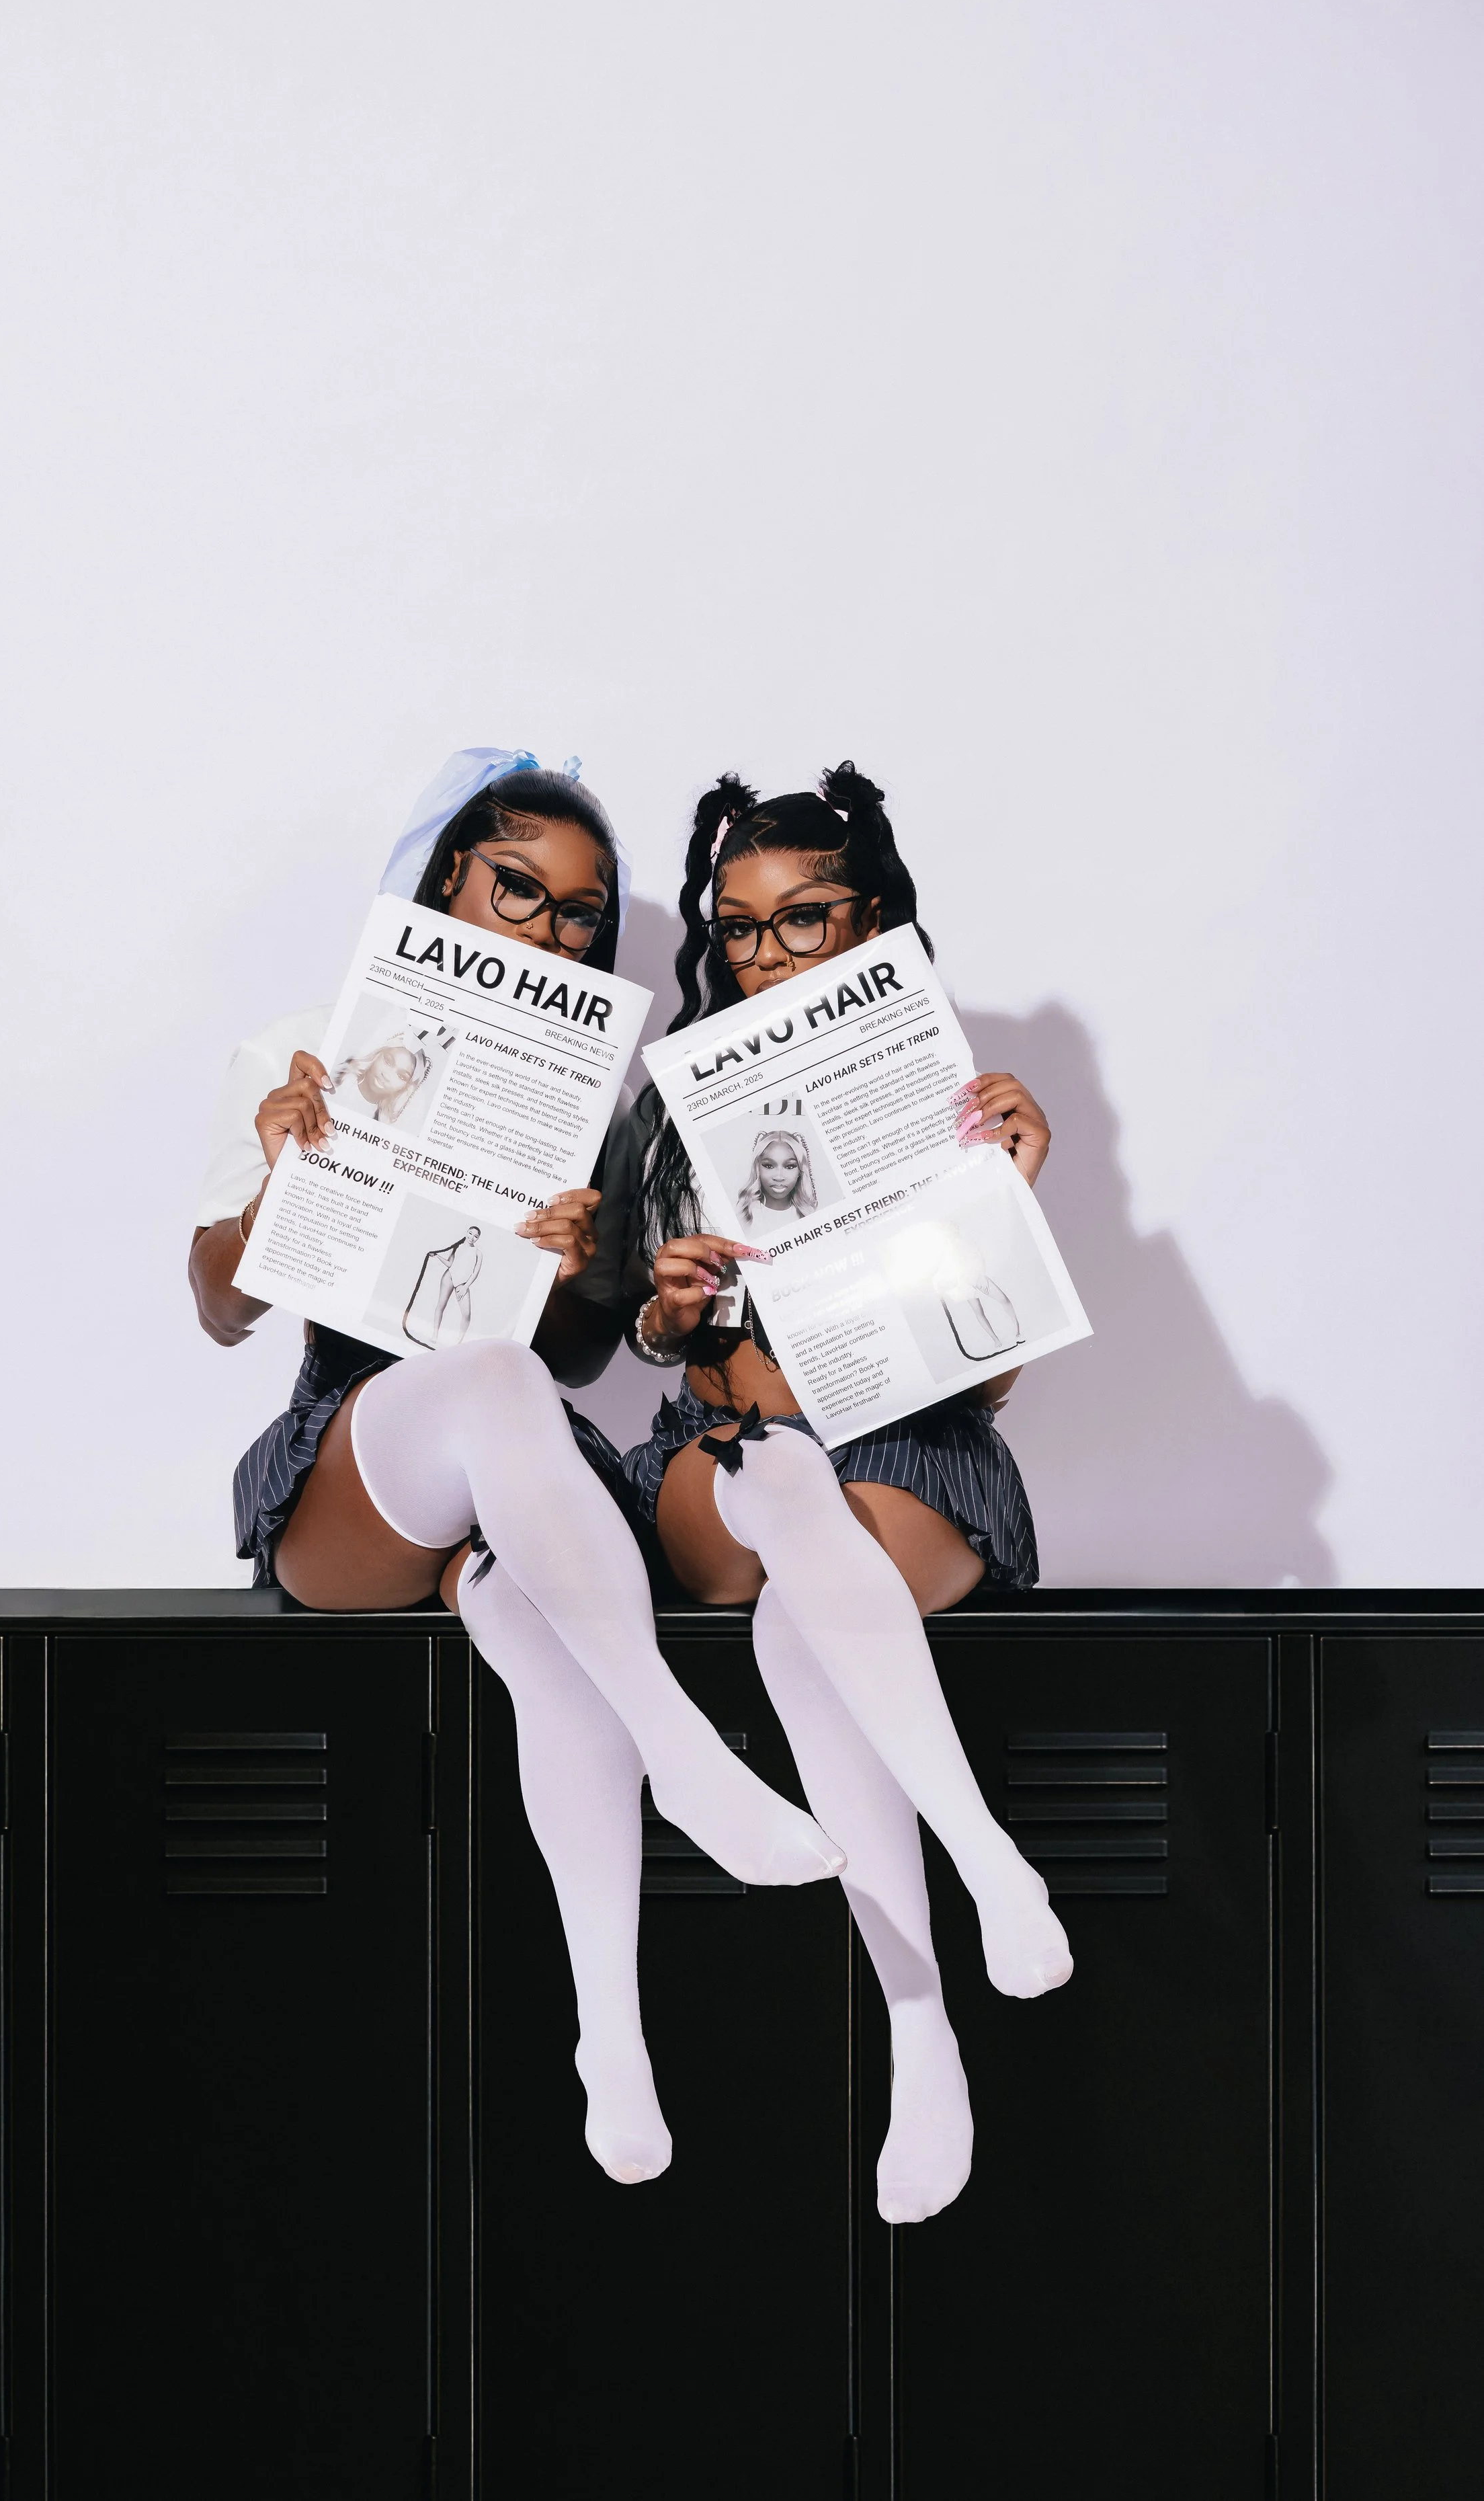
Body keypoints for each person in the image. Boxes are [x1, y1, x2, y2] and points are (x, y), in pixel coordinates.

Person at [189, 749, 845, 2188]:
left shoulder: (589, 1110)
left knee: (531, 1615)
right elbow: (221, 1304)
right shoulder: (309, 1044)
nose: (547, 930)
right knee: (480, 1386)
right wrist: (282, 1173)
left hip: (512, 1482)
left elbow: (574, 1358)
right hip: (358, 1467)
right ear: (445, 882)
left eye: (578, 915)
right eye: (518, 891)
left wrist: (562, 1271)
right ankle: (686, 1754)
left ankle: (609, 2037)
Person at [583, 762, 1071, 2224]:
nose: (763, 952)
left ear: (872, 922)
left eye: (804, 920)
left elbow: (979, 1382)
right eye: (738, 926)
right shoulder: (671, 1101)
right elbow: (630, 1336)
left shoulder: (949, 1093)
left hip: (899, 1455)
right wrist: (667, 1308)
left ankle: (921, 2034)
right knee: (770, 1472)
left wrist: (1010, 1203)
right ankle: (982, 1855)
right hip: (712, 1462)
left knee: (805, 1615)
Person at [735, 1127, 818, 1234]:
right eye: (769, 1166)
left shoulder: (811, 1214)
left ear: (800, 1171)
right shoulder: (743, 1215)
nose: (779, 1177)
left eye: (789, 1167)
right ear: (757, 1168)